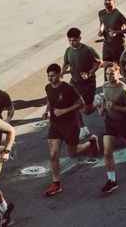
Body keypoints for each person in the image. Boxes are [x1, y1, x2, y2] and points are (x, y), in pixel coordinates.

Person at [42, 63, 98, 197]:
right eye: (48, 76)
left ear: (60, 75)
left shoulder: (69, 89)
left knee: (72, 153)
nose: (50, 78)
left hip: (70, 125)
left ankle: (91, 142)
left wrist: (64, 110)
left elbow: (81, 104)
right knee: (53, 154)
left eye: (53, 76)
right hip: (55, 125)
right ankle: (56, 183)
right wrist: (46, 111)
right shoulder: (48, 88)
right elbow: (50, 100)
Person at [97, 63, 126, 193]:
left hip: (124, 122)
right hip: (110, 122)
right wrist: (102, 108)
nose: (109, 76)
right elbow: (105, 100)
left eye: (112, 73)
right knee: (107, 151)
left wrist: (116, 107)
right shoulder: (105, 86)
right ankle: (112, 180)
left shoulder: (124, 90)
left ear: (118, 73)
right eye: (107, 74)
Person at [62, 28, 102, 119]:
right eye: (70, 41)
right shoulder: (68, 50)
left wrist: (89, 73)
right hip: (74, 82)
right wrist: (62, 71)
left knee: (86, 111)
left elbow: (99, 62)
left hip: (87, 84)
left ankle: (98, 100)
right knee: (71, 105)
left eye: (74, 40)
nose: (72, 43)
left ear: (80, 38)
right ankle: (82, 128)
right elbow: (66, 62)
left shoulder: (88, 50)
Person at [97, 0, 126, 64]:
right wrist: (101, 30)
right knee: (106, 67)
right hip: (107, 44)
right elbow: (102, 22)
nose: (106, 2)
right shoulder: (101, 13)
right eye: (105, 0)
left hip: (119, 45)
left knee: (122, 68)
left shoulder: (119, 13)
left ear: (114, 1)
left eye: (109, 0)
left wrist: (116, 32)